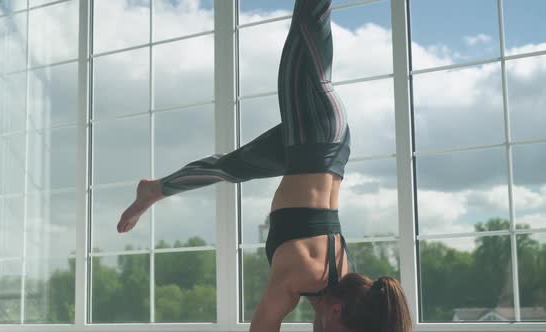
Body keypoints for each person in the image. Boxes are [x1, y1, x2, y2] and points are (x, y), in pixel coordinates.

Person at [117, 0, 411, 331]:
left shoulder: (347, 280)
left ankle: (154, 189)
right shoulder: (300, 277)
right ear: (338, 312)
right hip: (314, 128)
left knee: (228, 168)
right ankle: (154, 191)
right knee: (310, 18)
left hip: (324, 145)